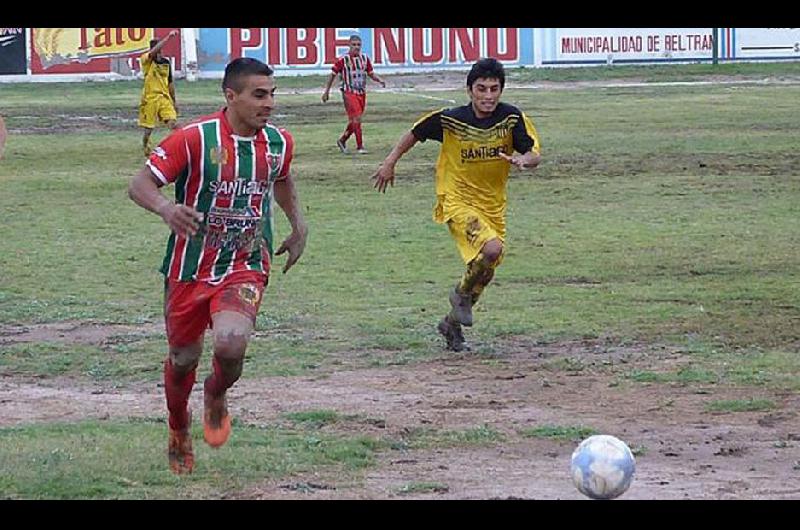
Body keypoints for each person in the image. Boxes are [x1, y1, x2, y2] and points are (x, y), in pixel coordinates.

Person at [128, 57, 308, 475]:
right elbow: (139, 185)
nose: (269, 104)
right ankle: (178, 426)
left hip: (244, 262)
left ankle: (216, 391)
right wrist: (166, 208)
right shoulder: (192, 138)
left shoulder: (279, 142)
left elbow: (281, 178)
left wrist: (298, 226)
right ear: (231, 96)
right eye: (259, 95)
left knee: (230, 345)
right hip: (189, 269)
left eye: (272, 95)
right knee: (181, 357)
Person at [371, 58, 542, 352]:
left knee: (485, 269)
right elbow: (415, 133)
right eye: (481, 89)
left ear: (501, 90)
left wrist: (523, 160)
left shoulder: (512, 118)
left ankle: (451, 321)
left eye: (494, 89)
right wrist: (389, 162)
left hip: (492, 205)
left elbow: (534, 153)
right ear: (469, 90)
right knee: (491, 249)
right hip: (456, 199)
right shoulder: (451, 119)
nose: (488, 96)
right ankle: (460, 297)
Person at [321, 34, 385, 154]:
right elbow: (332, 75)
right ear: (349, 45)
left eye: (358, 45)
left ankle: (342, 140)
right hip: (348, 91)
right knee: (357, 118)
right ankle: (360, 146)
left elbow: (371, 73)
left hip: (361, 92)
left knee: (354, 121)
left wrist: (379, 80)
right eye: (354, 45)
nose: (356, 47)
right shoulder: (343, 60)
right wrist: (327, 91)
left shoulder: (365, 59)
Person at [139, 30, 179, 156]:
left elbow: (170, 83)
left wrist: (174, 101)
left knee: (172, 123)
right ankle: (146, 144)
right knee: (149, 129)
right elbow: (152, 53)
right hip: (150, 98)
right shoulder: (146, 59)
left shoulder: (166, 63)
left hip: (164, 97)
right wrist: (168, 37)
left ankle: (174, 148)